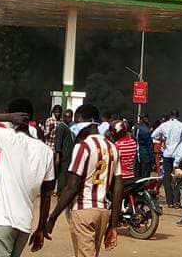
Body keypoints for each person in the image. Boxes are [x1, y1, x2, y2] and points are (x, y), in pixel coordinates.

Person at [0, 100, 55, 257]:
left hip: (4, 220)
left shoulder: (8, 138)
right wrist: (41, 228)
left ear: (15, 117)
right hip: (24, 226)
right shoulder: (46, 152)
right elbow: (47, 195)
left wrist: (7, 117)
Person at [46, 104, 123, 257]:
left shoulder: (83, 147)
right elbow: (118, 188)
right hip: (102, 211)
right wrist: (113, 225)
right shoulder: (113, 147)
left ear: (88, 122)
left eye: (78, 121)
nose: (75, 126)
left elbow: (72, 187)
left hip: (83, 209)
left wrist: (52, 217)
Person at [151, 111, 182, 209]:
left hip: (167, 154)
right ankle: (176, 200)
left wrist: (162, 138)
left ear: (170, 116)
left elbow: (153, 135)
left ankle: (169, 201)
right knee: (180, 177)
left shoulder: (164, 125)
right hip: (178, 155)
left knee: (167, 177)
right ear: (178, 116)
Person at [53, 108, 75, 195]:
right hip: (63, 154)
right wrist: (58, 155)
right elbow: (58, 141)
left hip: (69, 154)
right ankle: (60, 191)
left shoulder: (70, 127)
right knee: (62, 173)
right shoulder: (61, 127)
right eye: (66, 117)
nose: (68, 119)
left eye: (70, 117)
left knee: (67, 173)